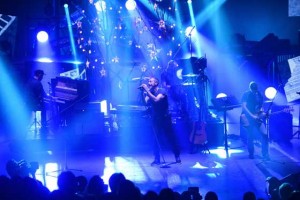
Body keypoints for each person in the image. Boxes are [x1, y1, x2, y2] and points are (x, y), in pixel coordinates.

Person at [140, 77, 181, 165]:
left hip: (165, 118)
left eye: (151, 81)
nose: (149, 82)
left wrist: (147, 90)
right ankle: (157, 159)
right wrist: (142, 93)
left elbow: (156, 100)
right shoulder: (150, 92)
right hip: (156, 118)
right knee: (155, 139)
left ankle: (177, 155)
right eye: (149, 81)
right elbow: (146, 102)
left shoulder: (162, 91)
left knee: (170, 138)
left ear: (156, 83)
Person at [240, 81, 269, 160]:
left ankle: (265, 154)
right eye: (253, 90)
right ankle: (251, 153)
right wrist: (252, 116)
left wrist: (263, 113)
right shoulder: (246, 94)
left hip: (257, 117)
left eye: (255, 91)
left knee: (265, 135)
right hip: (248, 117)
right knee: (250, 136)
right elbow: (244, 107)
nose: (254, 92)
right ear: (250, 88)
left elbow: (260, 107)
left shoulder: (259, 95)